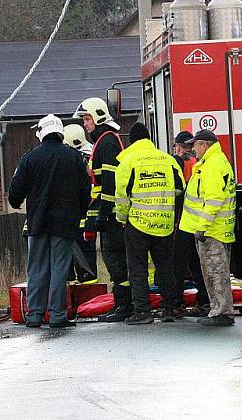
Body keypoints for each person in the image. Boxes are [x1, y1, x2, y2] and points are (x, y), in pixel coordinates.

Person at [9, 114, 90, 328]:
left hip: (37, 223)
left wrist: (16, 202)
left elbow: (16, 189)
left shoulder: (30, 157)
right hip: (64, 224)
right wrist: (80, 213)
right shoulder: (73, 157)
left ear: (42, 133)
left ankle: (34, 315)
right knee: (59, 268)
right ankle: (57, 315)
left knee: (36, 268)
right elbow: (85, 190)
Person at [115, 122, 184, 325]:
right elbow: (180, 189)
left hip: (137, 223)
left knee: (138, 268)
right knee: (165, 266)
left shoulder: (127, 161)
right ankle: (170, 308)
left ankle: (142, 312)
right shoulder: (168, 160)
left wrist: (122, 218)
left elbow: (121, 196)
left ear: (132, 141)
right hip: (164, 221)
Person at [73, 97, 132, 322]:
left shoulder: (106, 143)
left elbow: (109, 183)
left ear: (98, 117)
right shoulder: (105, 141)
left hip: (112, 216)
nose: (85, 124)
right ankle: (124, 304)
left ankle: (125, 306)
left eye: (87, 118)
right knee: (114, 261)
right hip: (110, 213)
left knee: (115, 261)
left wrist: (104, 214)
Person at [179, 129, 237, 327]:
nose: (193, 149)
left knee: (216, 272)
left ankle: (223, 312)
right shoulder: (211, 163)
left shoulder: (212, 165)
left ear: (204, 145)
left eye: (195, 145)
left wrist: (202, 226)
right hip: (214, 229)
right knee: (213, 272)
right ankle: (217, 310)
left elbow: (213, 200)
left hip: (212, 230)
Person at [172, 131, 210, 316]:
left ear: (178, 146)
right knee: (197, 263)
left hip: (181, 220)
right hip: (198, 219)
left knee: (178, 264)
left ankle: (176, 303)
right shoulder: (200, 163)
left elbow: (176, 192)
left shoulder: (177, 162)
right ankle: (204, 300)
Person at [63, 124, 98, 283]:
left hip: (77, 218)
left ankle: (79, 296)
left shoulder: (75, 160)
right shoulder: (91, 155)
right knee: (87, 260)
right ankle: (89, 293)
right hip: (88, 217)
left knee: (71, 260)